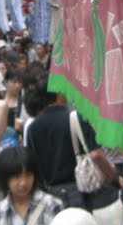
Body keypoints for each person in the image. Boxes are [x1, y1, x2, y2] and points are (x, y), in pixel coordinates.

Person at [24, 80, 114, 209]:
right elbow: (96, 155)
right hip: (80, 190)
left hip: (49, 194)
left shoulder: (33, 127)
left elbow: (33, 163)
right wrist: (112, 176)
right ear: (59, 93)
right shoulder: (77, 118)